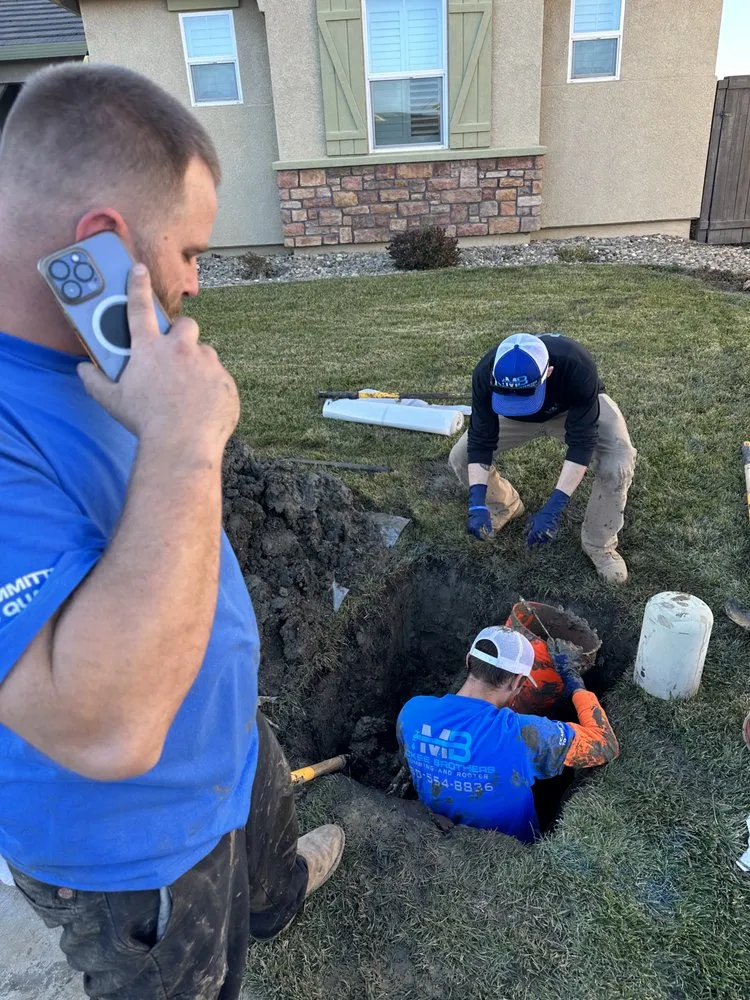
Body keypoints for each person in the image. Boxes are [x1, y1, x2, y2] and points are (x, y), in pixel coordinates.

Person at [0, 64, 344, 1000]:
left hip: (228, 749)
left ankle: (275, 891)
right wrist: (189, 440)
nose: (195, 284)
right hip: (134, 859)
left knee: (259, 860)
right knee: (195, 976)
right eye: (190, 252)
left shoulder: (108, 354)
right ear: (103, 244)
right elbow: (108, 730)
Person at [397, 626, 619, 842]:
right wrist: (574, 683)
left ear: (468, 661)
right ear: (517, 681)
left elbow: (409, 759)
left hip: (439, 835)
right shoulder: (524, 735)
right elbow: (605, 745)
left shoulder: (413, 711)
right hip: (509, 849)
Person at [449, 332, 637, 584]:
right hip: (514, 416)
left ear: (547, 372)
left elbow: (581, 443)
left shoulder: (576, 365)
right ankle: (505, 506)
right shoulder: (485, 372)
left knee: (618, 463)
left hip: (570, 409)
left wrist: (553, 507)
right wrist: (476, 501)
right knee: (460, 456)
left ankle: (599, 545)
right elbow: (480, 441)